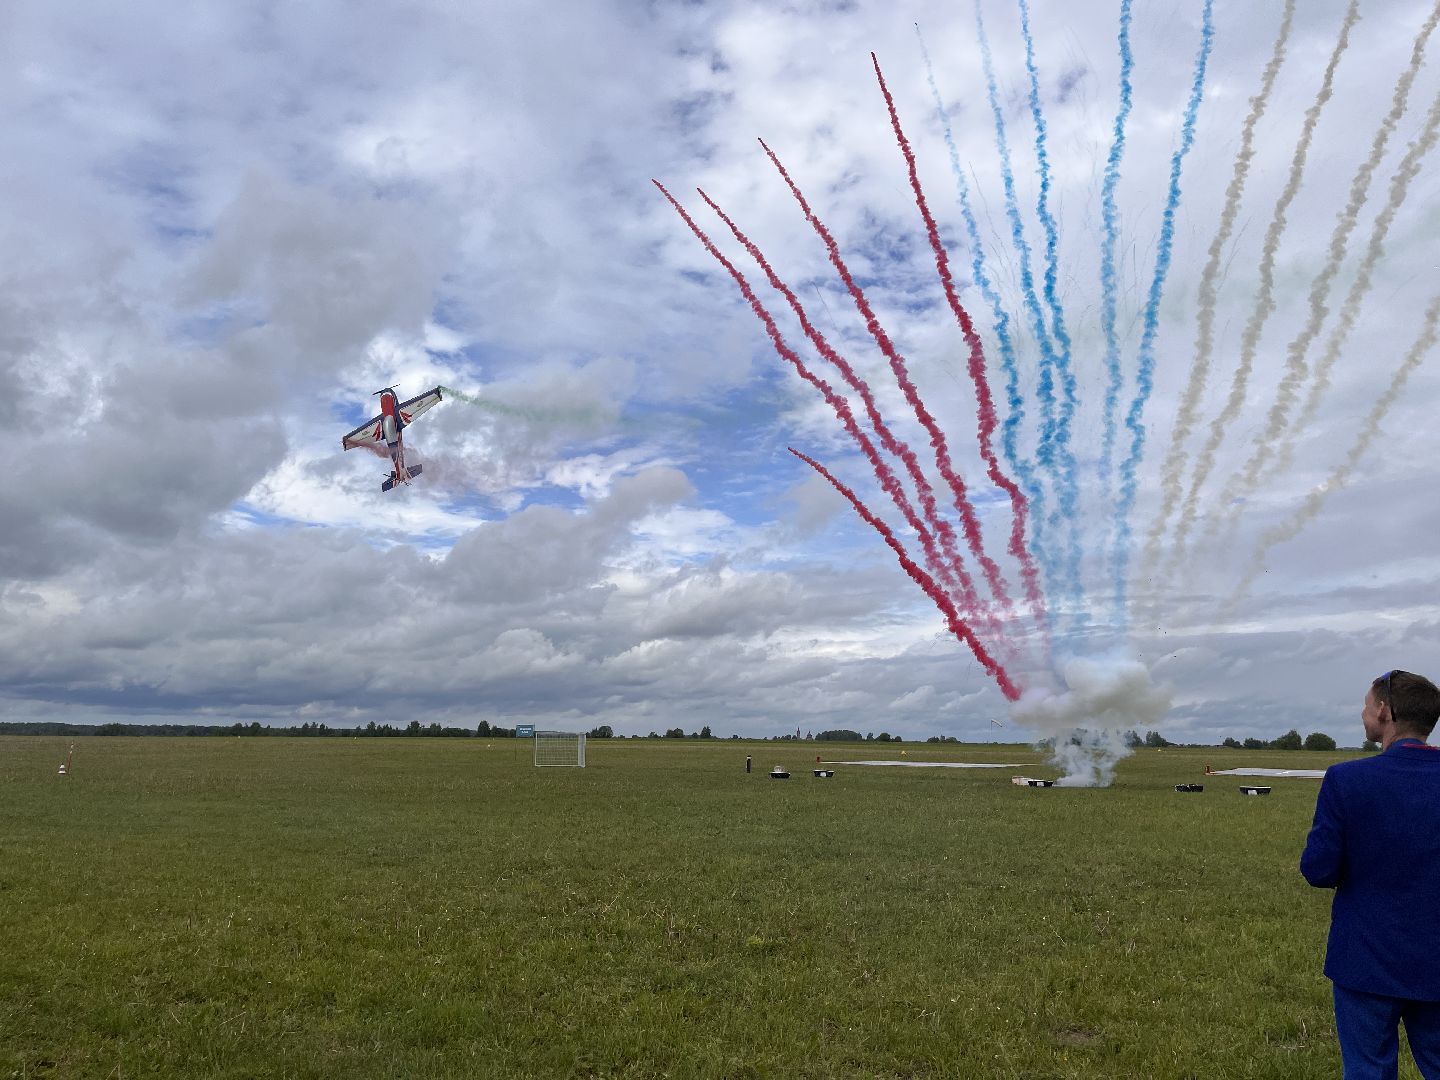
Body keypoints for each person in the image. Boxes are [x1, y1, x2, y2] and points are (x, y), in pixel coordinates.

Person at [1301, 669, 1440, 1078]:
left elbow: (1319, 870)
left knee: (1367, 1070)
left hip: (1366, 959)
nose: (1363, 714)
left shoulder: (1348, 779)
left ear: (1384, 711)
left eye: (1366, 706)